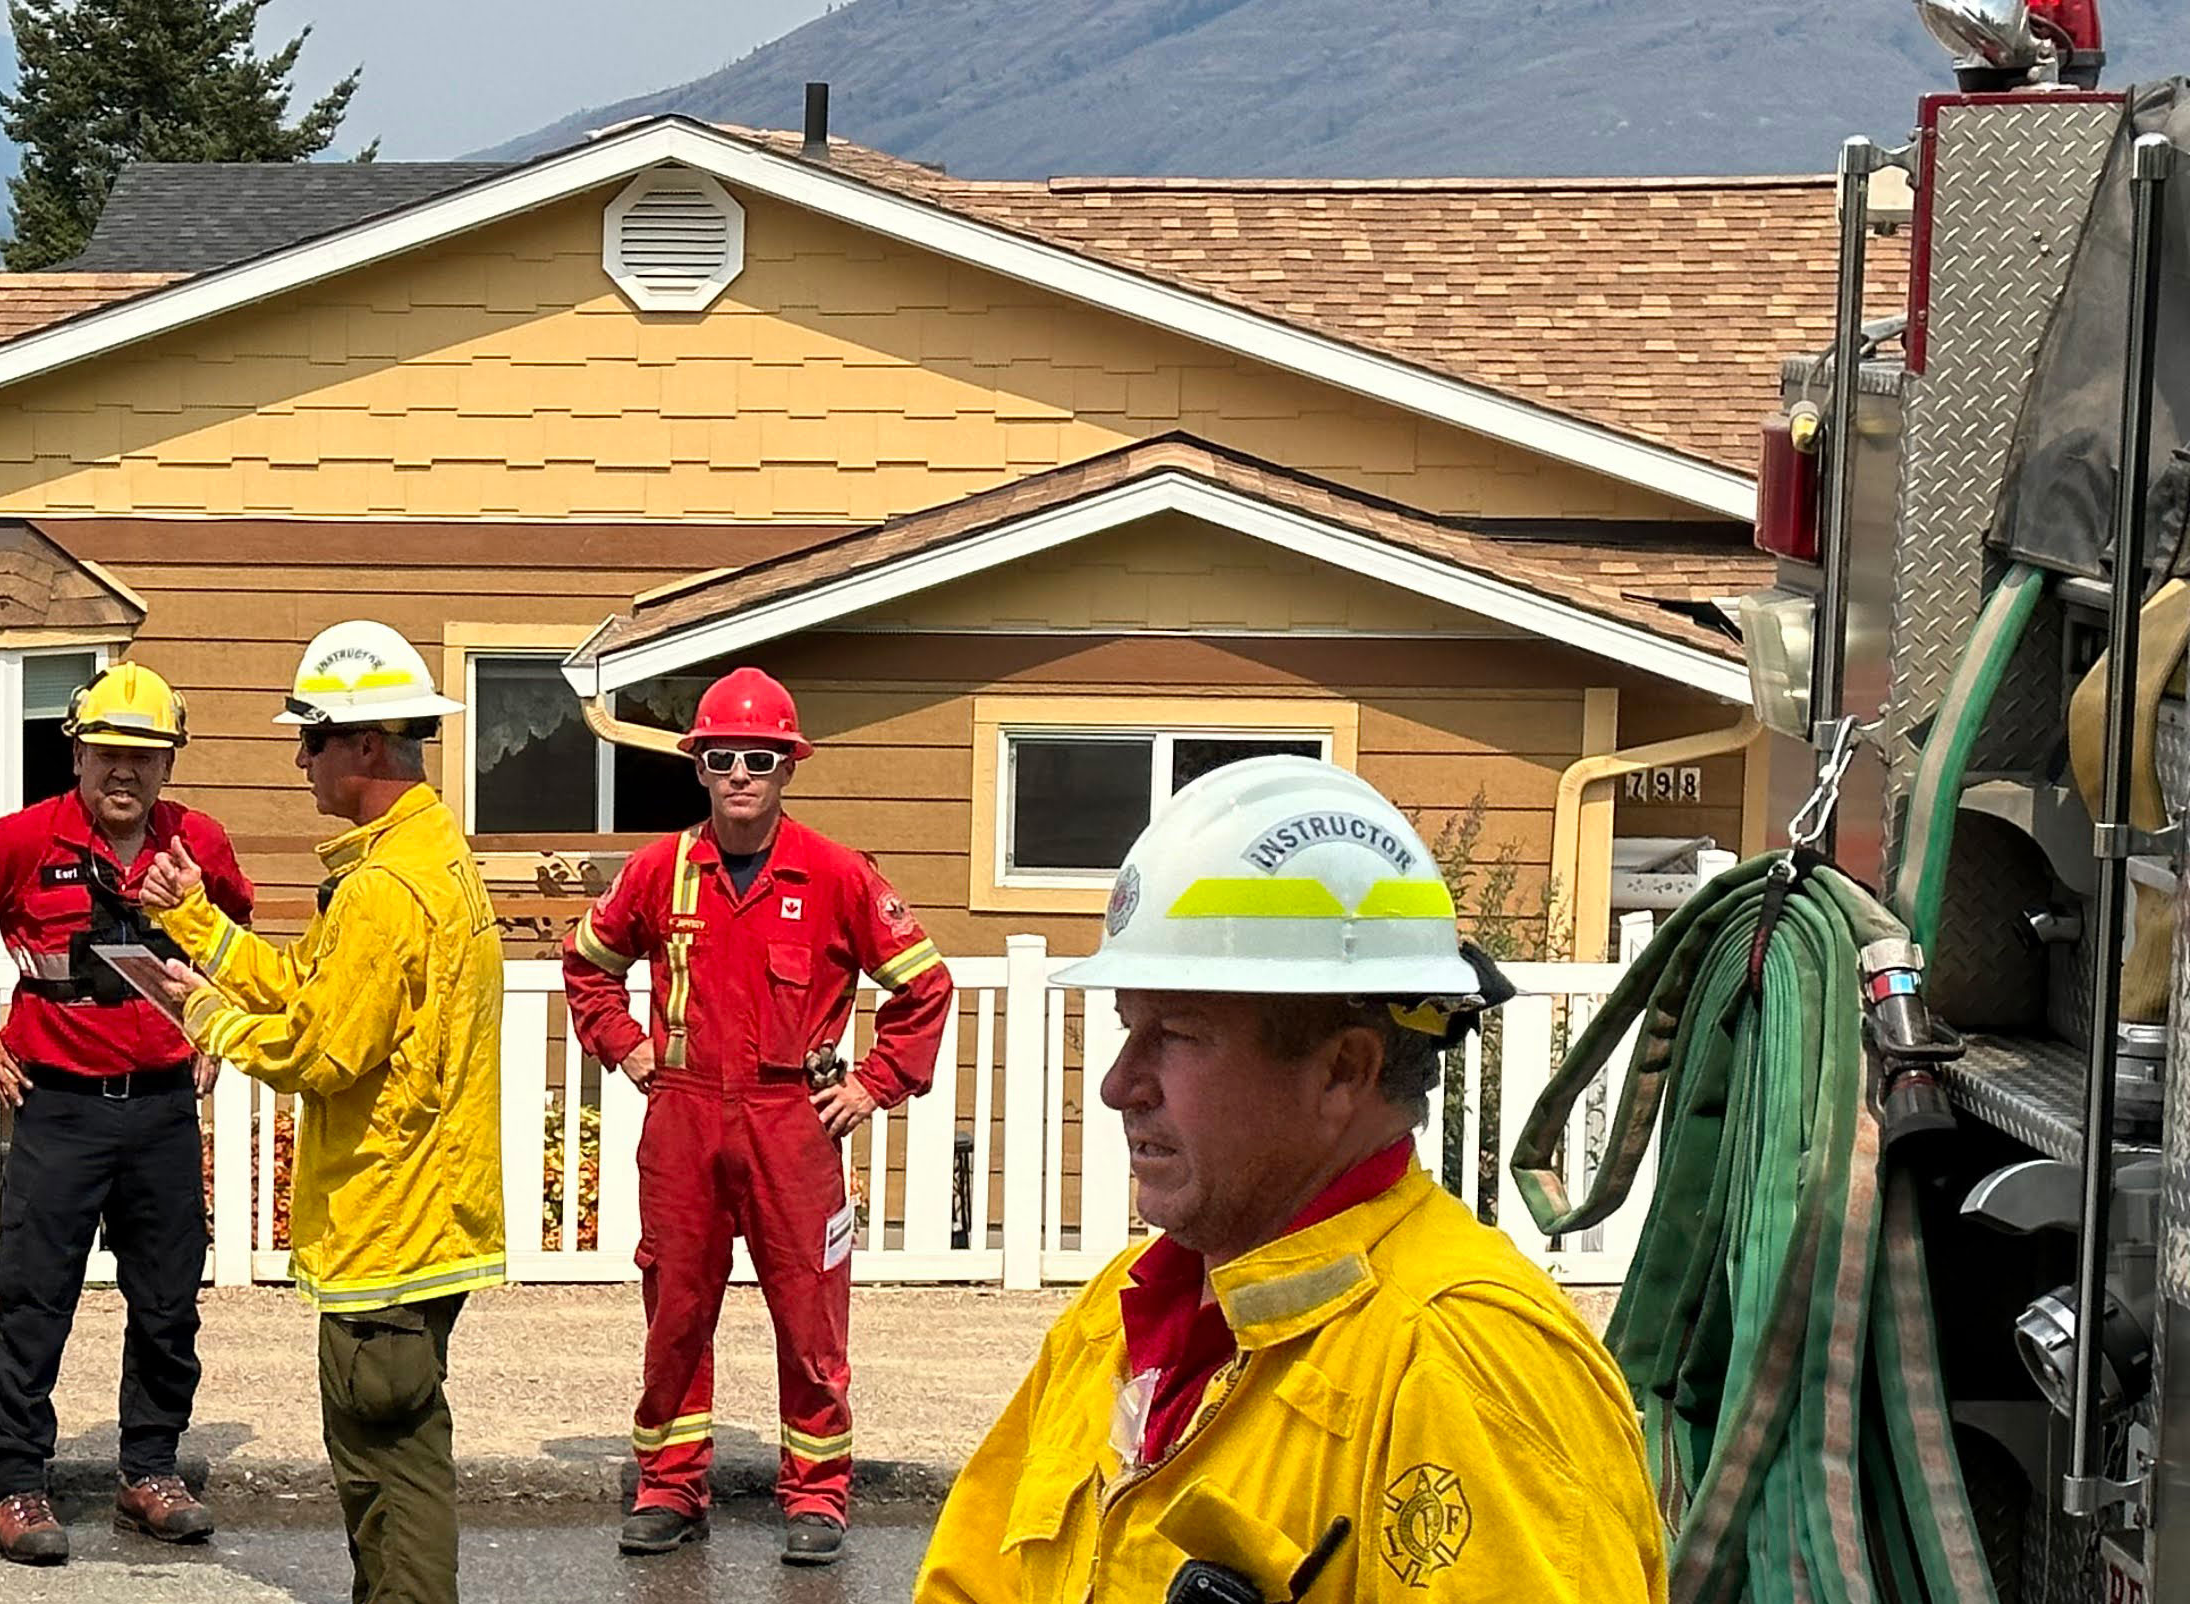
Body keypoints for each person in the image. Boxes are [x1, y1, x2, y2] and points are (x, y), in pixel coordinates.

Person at [915, 756, 1663, 1602]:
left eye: (1178, 1034)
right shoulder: (1119, 1317)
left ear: (1343, 1071)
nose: (1119, 1085)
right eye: (1130, 1028)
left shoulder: (1464, 1367)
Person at [132, 620, 504, 1604]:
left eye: (311, 736)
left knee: (393, 1473)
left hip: (389, 1231)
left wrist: (201, 1012)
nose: (298, 757)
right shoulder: (430, 859)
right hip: (429, 1221)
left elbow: (316, 1049)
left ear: (366, 745)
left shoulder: (384, 888)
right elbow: (312, 985)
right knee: (395, 1460)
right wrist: (200, 926)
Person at [558, 667, 953, 1565]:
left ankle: (816, 1495)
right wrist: (624, 1044)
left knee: (811, 1318)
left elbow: (924, 985)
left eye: (762, 759)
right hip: (685, 1119)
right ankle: (669, 1486)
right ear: (699, 766)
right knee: (677, 1312)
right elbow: (588, 965)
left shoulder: (837, 873)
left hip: (792, 1126)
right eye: (725, 758)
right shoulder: (659, 870)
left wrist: (875, 1084)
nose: (742, 774)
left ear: (787, 769)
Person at [0, 662, 255, 1564]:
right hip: (59, 1109)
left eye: (144, 756)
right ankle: (17, 1483)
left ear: (170, 762)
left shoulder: (199, 843)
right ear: (78, 754)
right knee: (34, 1299)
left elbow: (239, 944)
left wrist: (219, 1024)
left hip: (165, 1109)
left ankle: (150, 1470)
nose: (124, 774)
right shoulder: (22, 839)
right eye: (107, 755)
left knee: (170, 1301)